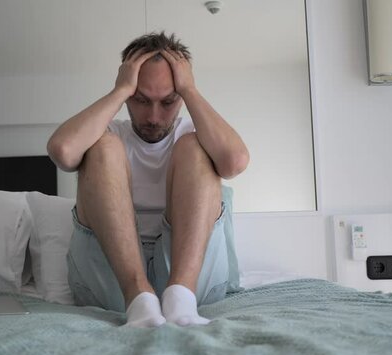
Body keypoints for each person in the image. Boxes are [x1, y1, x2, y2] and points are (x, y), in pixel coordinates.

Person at [47, 32, 249, 328]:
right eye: (141, 100)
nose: (153, 116)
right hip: (113, 280)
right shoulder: (111, 134)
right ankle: (138, 297)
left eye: (168, 101)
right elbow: (63, 151)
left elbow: (235, 162)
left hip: (194, 283)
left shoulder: (196, 134)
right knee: (103, 147)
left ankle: (180, 297)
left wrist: (190, 89)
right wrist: (119, 90)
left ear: (180, 95)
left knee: (195, 147)